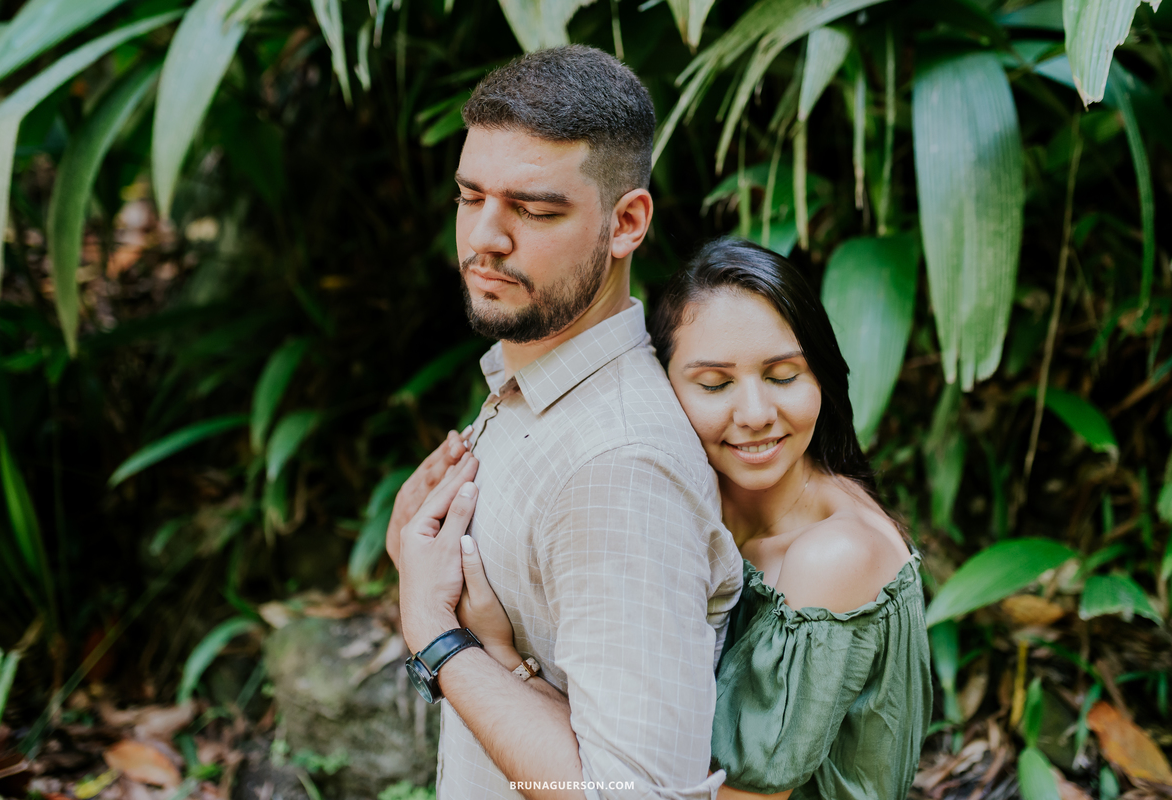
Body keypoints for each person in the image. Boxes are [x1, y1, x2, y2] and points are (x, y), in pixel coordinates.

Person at [385, 45, 744, 799]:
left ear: (626, 223)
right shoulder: (530, 384)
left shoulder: (618, 469)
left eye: (535, 210)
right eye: (470, 197)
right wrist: (425, 570)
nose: (484, 239)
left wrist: (436, 636)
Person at [452, 238, 932, 799]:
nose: (755, 414)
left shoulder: (834, 557)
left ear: (821, 376)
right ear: (662, 387)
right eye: (715, 384)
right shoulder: (687, 499)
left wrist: (501, 658)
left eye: (784, 376)